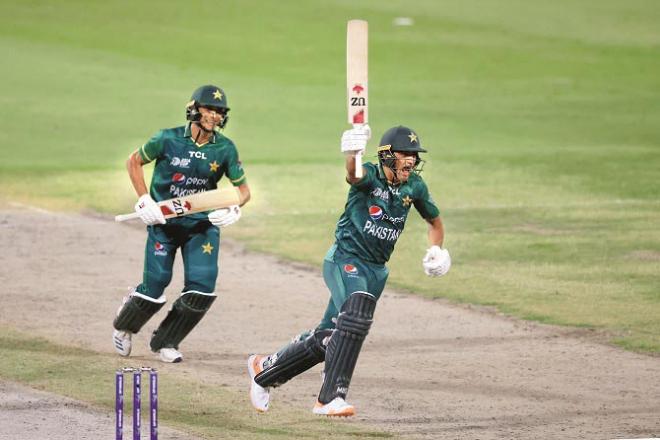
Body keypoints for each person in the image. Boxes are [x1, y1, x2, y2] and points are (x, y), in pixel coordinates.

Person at [247, 124, 450, 415]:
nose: (411, 161)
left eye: (415, 156)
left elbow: (435, 222)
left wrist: (437, 248)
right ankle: (329, 398)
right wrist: (352, 153)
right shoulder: (370, 175)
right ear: (387, 155)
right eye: (405, 154)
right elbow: (353, 175)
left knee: (330, 336)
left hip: (377, 271)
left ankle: (263, 370)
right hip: (345, 260)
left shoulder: (414, 187)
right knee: (355, 318)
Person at [112, 84, 250, 363]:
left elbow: (243, 190)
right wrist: (144, 200)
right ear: (194, 109)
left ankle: (167, 340)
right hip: (164, 222)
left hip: (201, 225)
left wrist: (235, 208)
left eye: (220, 111)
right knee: (156, 285)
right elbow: (134, 161)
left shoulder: (225, 149)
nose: (215, 116)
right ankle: (125, 326)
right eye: (210, 109)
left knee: (203, 287)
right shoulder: (167, 139)